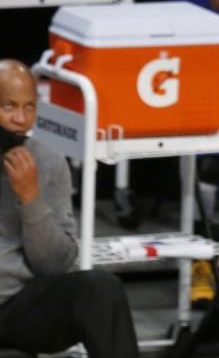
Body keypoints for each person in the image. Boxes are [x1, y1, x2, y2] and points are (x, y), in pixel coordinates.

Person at [0, 60, 139, 357]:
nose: (20, 119)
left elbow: (56, 264)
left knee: (101, 288)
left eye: (30, 107)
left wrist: (31, 199)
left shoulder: (46, 159)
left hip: (17, 304)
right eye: (8, 107)